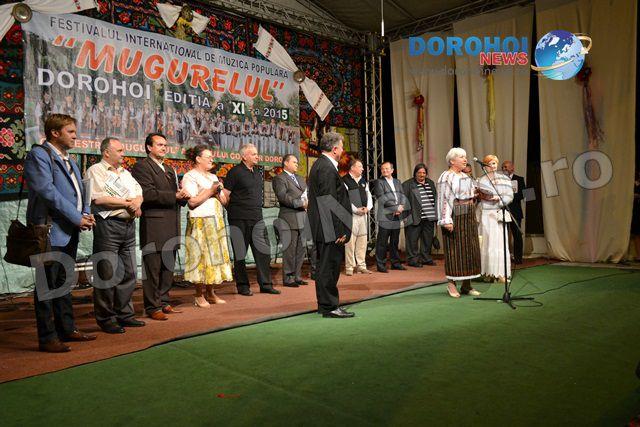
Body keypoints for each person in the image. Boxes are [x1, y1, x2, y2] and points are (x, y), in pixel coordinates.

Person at [24, 114, 97, 352]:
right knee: (46, 285)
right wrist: (76, 217)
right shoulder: (39, 155)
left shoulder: (70, 159)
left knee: (64, 282)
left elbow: (80, 191)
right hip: (49, 230)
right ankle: (48, 337)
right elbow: (47, 191)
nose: (75, 136)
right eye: (71, 132)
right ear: (55, 133)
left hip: (69, 230)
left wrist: (86, 213)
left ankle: (67, 328)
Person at [84, 137, 145, 334]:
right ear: (106, 152)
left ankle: (124, 314)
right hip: (108, 225)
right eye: (119, 150)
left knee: (129, 272)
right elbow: (99, 199)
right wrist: (128, 203)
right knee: (107, 273)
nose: (123, 154)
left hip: (128, 226)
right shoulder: (96, 171)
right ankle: (106, 318)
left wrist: (137, 202)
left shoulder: (125, 173)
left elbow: (139, 192)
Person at [131, 133, 190, 321]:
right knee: (153, 269)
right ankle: (152, 306)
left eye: (165, 145)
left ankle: (164, 301)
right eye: (159, 145)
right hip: (154, 224)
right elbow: (147, 194)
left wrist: (182, 196)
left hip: (171, 224)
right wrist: (174, 196)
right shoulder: (142, 167)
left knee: (167, 268)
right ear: (149, 147)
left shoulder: (169, 168)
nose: (164, 148)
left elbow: (173, 194)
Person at [223, 143, 279, 296]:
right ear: (244, 156)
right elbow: (225, 196)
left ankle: (266, 284)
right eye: (253, 154)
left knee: (263, 252)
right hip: (239, 219)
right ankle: (243, 286)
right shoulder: (234, 172)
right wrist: (234, 210)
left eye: (256, 154)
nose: (257, 156)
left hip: (257, 218)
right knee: (240, 254)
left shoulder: (257, 173)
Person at [308, 132, 354, 318]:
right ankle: (330, 307)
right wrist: (338, 230)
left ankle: (325, 305)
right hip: (329, 228)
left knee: (326, 267)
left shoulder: (322, 165)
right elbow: (328, 201)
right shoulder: (326, 168)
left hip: (325, 226)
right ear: (334, 149)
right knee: (329, 267)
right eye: (341, 147)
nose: (342, 151)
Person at [182, 144, 233, 308]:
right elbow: (192, 202)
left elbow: (224, 201)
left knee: (214, 257)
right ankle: (198, 295)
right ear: (198, 159)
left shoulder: (213, 177)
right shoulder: (190, 176)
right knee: (200, 257)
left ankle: (211, 293)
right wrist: (210, 191)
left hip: (215, 221)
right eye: (208, 156)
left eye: (212, 156)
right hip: (200, 222)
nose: (212, 159)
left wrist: (219, 193)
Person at [437, 147, 481, 298]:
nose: (465, 159)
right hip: (455, 214)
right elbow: (443, 199)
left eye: (465, 156)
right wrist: (446, 220)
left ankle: (466, 285)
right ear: (452, 161)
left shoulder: (464, 176)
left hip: (469, 213)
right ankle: (451, 284)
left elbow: (471, 194)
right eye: (461, 157)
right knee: (455, 250)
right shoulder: (446, 176)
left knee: (470, 248)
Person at [272, 154, 309, 287]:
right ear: (286, 163)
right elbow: (283, 197)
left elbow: (306, 193)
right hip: (289, 217)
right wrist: (301, 203)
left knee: (301, 249)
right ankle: (288, 278)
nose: (297, 164)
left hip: (302, 217)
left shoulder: (300, 178)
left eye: (297, 163)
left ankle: (297, 276)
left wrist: (308, 202)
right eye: (294, 162)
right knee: (290, 250)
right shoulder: (279, 178)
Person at [479, 155, 514, 283]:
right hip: (485, 214)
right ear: (485, 165)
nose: (492, 166)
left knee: (498, 243)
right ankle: (487, 272)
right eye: (489, 164)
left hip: (497, 213)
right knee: (487, 243)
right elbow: (479, 194)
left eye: (494, 163)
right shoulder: (481, 179)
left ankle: (500, 273)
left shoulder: (504, 178)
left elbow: (509, 196)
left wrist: (499, 199)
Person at [372, 162, 406, 272]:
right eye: (382, 169)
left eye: (387, 168)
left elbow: (402, 195)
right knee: (382, 241)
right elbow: (382, 198)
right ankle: (381, 265)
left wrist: (401, 206)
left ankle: (395, 263)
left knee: (395, 241)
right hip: (385, 216)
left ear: (392, 170)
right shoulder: (379, 182)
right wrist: (396, 208)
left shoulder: (397, 181)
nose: (384, 170)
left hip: (397, 215)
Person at [402, 163, 437, 268]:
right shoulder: (408, 184)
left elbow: (435, 198)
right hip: (414, 217)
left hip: (429, 217)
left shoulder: (430, 183)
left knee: (427, 239)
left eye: (424, 173)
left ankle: (425, 258)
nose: (422, 175)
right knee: (412, 240)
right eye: (419, 173)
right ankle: (412, 260)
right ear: (415, 173)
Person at [342, 158, 373, 276]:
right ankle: (349, 267)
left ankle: (361, 266)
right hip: (351, 215)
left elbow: (369, 196)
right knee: (350, 242)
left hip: (363, 215)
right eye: (360, 166)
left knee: (362, 241)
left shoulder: (363, 181)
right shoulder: (345, 180)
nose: (362, 169)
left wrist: (368, 208)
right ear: (352, 168)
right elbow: (344, 199)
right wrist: (355, 209)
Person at [501, 160, 526, 264]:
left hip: (515, 211)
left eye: (506, 167)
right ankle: (504, 259)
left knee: (517, 235)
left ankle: (518, 258)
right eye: (503, 167)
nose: (504, 169)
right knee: (503, 236)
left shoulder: (520, 179)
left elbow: (525, 194)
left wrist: (511, 196)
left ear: (512, 168)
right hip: (503, 211)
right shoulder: (500, 180)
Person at [631, 170, 640, 261]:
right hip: (634, 210)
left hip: (637, 210)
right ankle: (638, 255)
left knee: (637, 234)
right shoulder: (633, 182)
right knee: (636, 233)